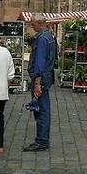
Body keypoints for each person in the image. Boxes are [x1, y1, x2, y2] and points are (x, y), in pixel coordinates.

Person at [23, 17, 57, 151]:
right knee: (43, 109)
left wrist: (37, 82)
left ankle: (41, 141)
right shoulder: (49, 36)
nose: (31, 25)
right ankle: (43, 140)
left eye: (33, 23)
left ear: (40, 23)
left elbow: (40, 61)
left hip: (41, 78)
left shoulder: (42, 38)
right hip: (47, 77)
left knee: (41, 110)